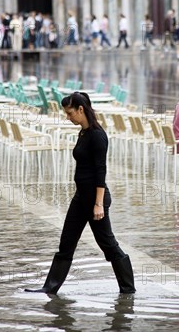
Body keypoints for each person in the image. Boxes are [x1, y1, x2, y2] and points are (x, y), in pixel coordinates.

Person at [25, 92, 135, 295]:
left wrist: (99, 204)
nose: (68, 117)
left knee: (108, 245)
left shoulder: (98, 135)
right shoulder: (83, 133)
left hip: (95, 199)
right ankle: (50, 288)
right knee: (66, 243)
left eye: (69, 113)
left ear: (81, 109)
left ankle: (128, 289)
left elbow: (101, 171)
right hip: (80, 197)